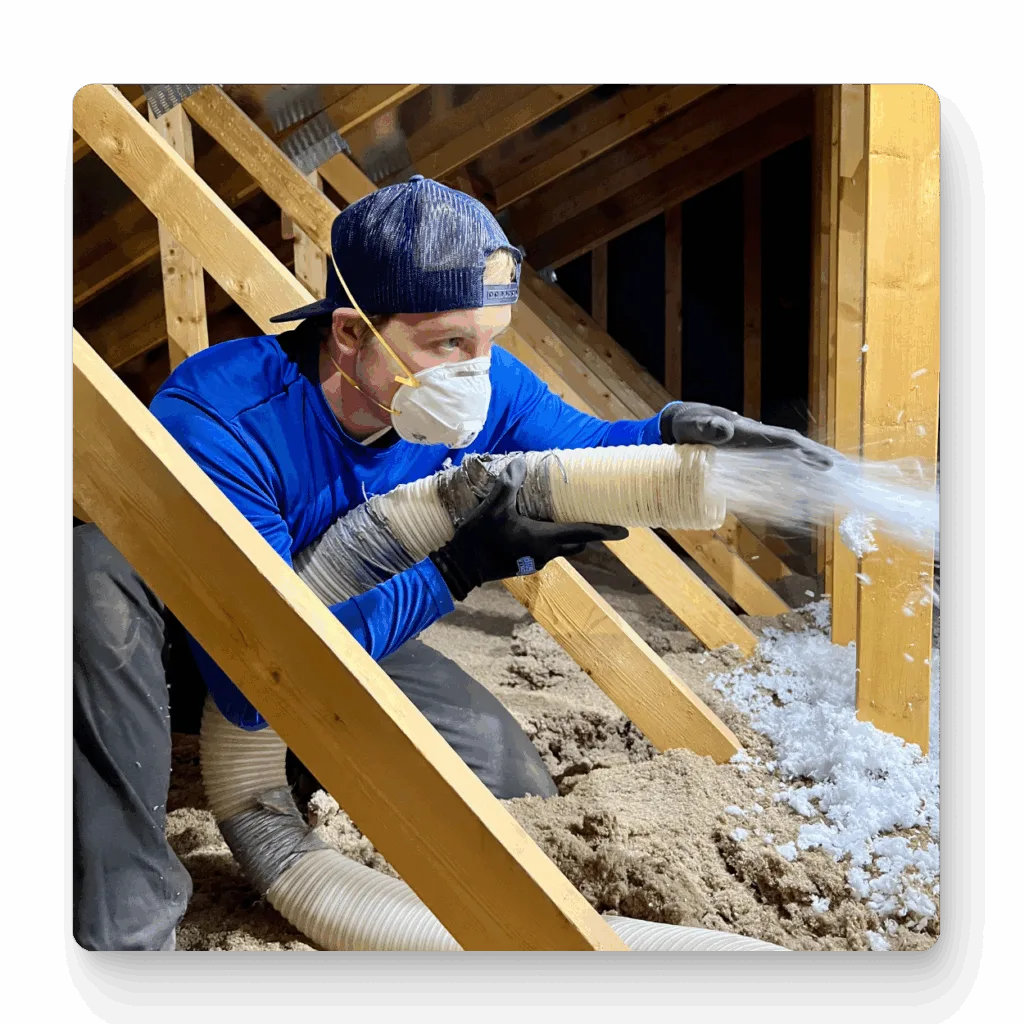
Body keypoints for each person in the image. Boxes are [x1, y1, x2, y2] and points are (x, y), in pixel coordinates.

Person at [73, 175, 831, 951]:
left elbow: (584, 450)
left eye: (489, 339)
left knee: (509, 782)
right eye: (447, 343)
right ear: (348, 333)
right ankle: (127, 925)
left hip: (343, 624)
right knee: (92, 572)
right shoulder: (226, 415)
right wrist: (454, 570)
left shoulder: (478, 382)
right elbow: (251, 683)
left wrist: (676, 432)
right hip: (194, 642)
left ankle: (337, 808)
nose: (476, 369)